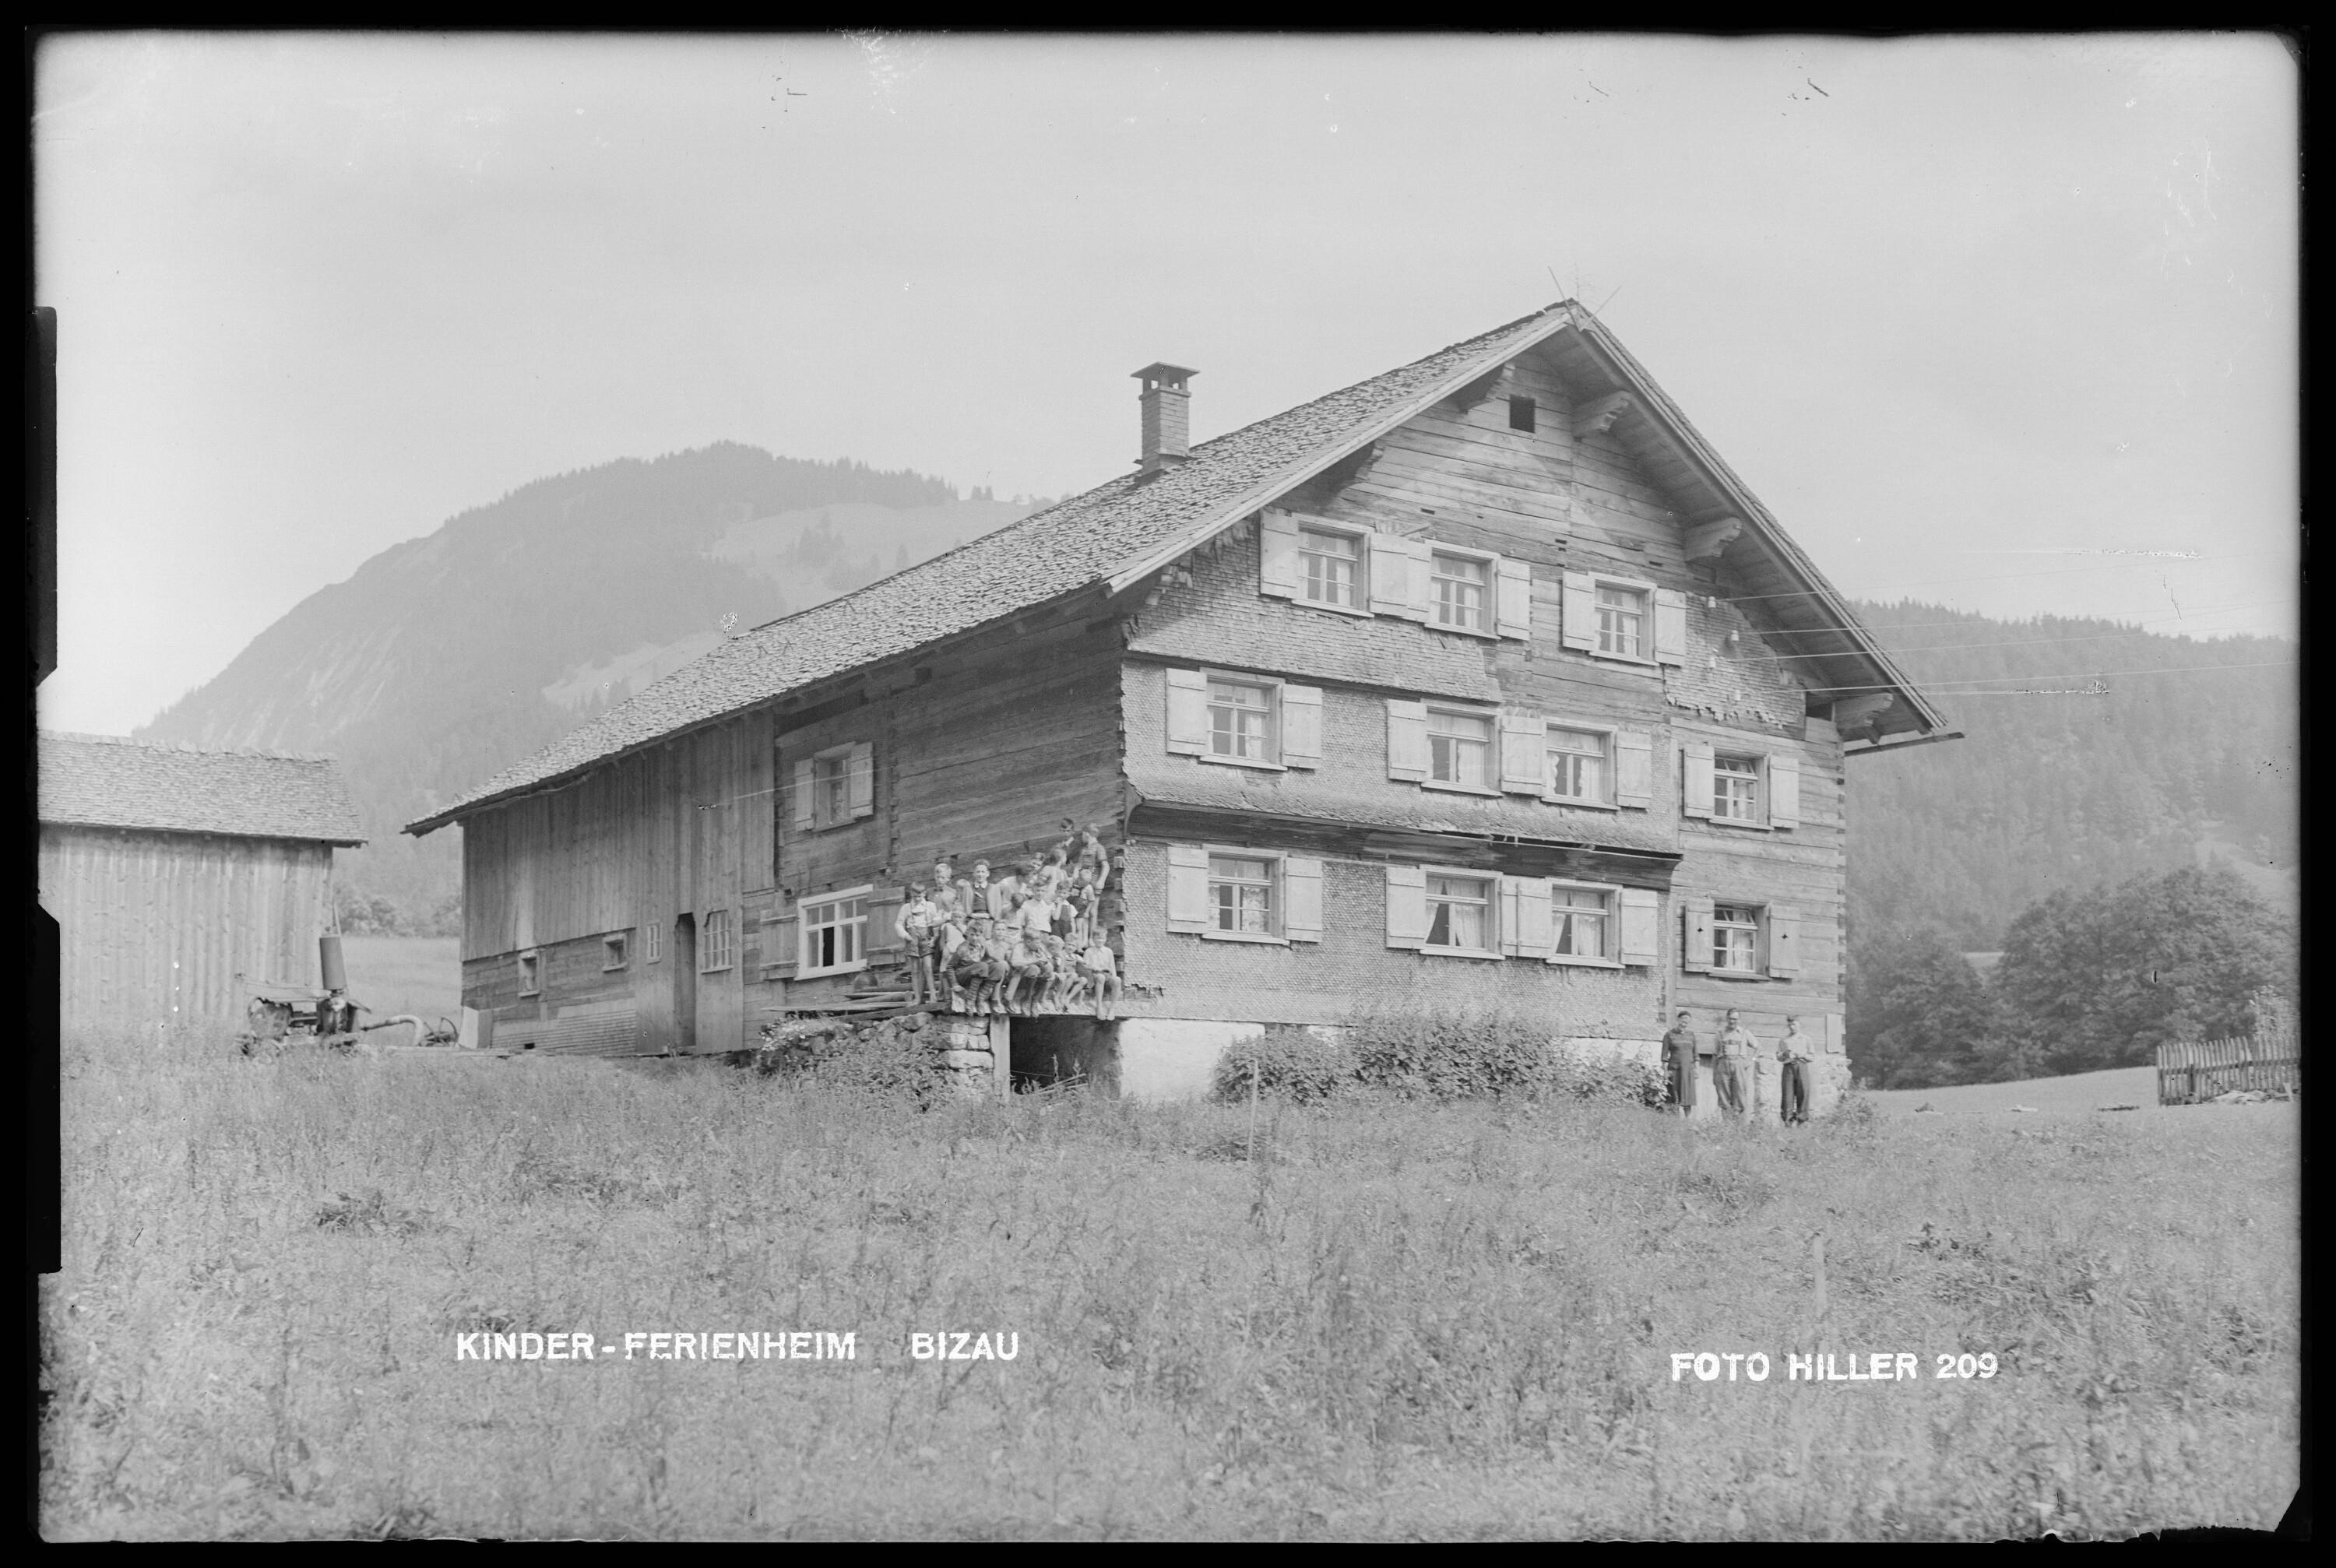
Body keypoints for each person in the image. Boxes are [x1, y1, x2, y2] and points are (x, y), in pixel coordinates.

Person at [1713, 1008, 1758, 1119]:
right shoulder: (1720, 1033)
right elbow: (1715, 1054)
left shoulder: (1744, 1033)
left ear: (1739, 1020)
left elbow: (1758, 1047)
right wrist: (1714, 1073)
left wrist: (1751, 1060)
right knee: (1724, 1095)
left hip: (1739, 1065)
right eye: (1730, 1019)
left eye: (1735, 1019)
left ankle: (1738, 1123)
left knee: (1739, 1093)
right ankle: (1727, 1123)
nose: (1732, 1021)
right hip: (1723, 1064)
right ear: (1727, 1018)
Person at [1660, 1010, 1702, 1116]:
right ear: (1678, 1019)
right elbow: (1664, 1056)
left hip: (1688, 1071)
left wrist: (1697, 1070)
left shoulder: (1691, 1035)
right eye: (1683, 1019)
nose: (1685, 1022)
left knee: (1688, 1098)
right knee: (1674, 1097)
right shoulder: (1669, 1035)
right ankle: (1674, 1120)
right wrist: (1665, 1072)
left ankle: (1687, 1120)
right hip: (1674, 1070)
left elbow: (1696, 1055)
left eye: (1687, 1021)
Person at [1776, 1015, 1815, 1124]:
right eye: (1790, 1025)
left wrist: (1801, 1055)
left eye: (1794, 1025)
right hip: (1788, 1067)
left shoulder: (1806, 1039)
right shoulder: (1784, 1040)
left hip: (1801, 1066)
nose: (1792, 1027)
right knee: (1787, 1094)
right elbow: (1778, 1056)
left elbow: (1812, 1057)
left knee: (1803, 1092)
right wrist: (1785, 1054)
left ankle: (1801, 1120)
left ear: (1800, 1025)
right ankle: (1787, 1120)